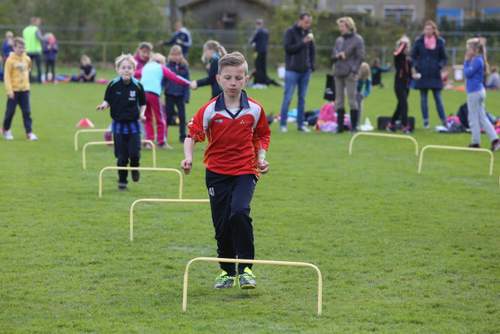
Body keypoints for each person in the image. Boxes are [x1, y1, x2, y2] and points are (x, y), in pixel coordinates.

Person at [181, 52, 271, 289]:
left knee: (239, 212)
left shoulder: (254, 109)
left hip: (245, 169)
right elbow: (192, 135)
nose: (233, 83)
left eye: (238, 78)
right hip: (217, 173)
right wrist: (188, 158)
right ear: (218, 78)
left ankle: (246, 269)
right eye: (228, 77)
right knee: (221, 223)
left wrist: (262, 158)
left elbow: (262, 134)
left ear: (246, 79)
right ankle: (227, 272)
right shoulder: (210, 110)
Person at [96, 54, 147, 190]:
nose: (126, 70)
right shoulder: (113, 85)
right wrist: (103, 105)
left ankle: (135, 168)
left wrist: (142, 114)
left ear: (134, 70)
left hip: (134, 125)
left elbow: (143, 103)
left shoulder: (138, 86)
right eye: (123, 67)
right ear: (118, 69)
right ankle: (122, 182)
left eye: (129, 67)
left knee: (135, 153)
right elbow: (107, 100)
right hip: (118, 125)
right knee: (121, 157)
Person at [138, 52, 190, 149]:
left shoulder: (146, 67)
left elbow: (135, 74)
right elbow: (174, 77)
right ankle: (161, 142)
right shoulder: (161, 68)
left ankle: (149, 141)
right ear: (162, 62)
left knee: (147, 118)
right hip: (153, 94)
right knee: (160, 118)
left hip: (142, 94)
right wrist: (188, 83)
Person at [279, 12, 315, 133]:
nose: (308, 24)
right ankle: (283, 124)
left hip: (305, 71)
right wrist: (303, 42)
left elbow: (312, 51)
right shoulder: (290, 31)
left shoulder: (309, 32)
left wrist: (312, 66)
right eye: (306, 22)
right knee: (288, 98)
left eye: (309, 22)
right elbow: (288, 49)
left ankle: (300, 125)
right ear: (299, 21)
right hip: (292, 71)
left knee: (302, 99)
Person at [463, 38, 499, 151]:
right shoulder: (477, 59)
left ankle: (476, 142)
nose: (467, 51)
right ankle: (494, 140)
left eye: (468, 48)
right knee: (482, 117)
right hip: (478, 91)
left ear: (474, 49)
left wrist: (466, 61)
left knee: (473, 117)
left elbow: (467, 73)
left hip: (475, 92)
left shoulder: (477, 61)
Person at [411, 20, 447, 128]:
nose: (428, 31)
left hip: (435, 74)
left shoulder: (440, 41)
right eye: (426, 29)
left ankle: (444, 120)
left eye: (430, 29)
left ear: (434, 30)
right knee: (423, 98)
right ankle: (426, 121)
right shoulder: (419, 41)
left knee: (438, 98)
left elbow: (444, 58)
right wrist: (417, 65)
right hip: (423, 74)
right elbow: (413, 56)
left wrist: (439, 66)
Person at [332, 16, 365, 133]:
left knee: (352, 100)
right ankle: (340, 127)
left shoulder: (358, 39)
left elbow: (360, 57)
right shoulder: (338, 40)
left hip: (350, 73)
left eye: (342, 26)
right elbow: (333, 56)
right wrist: (337, 56)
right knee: (339, 100)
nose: (340, 28)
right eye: (339, 26)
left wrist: (354, 70)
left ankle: (354, 127)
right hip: (338, 72)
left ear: (348, 26)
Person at [2, 37, 38, 141]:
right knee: (10, 112)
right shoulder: (9, 60)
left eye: (23, 47)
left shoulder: (27, 59)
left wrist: (26, 83)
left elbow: (29, 68)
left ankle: (29, 133)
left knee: (27, 112)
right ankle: (6, 129)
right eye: (19, 47)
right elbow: (7, 76)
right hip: (13, 91)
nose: (21, 49)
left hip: (25, 90)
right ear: (14, 47)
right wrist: (9, 91)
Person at [387, 36, 413, 133]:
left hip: (406, 85)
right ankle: (405, 125)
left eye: (406, 46)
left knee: (400, 105)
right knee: (404, 105)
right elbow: (398, 53)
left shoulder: (409, 60)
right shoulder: (398, 56)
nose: (405, 48)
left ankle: (391, 124)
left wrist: (414, 76)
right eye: (403, 46)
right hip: (398, 84)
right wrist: (403, 43)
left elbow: (409, 74)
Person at [165, 45, 190, 143]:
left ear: (181, 55)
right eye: (174, 55)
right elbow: (163, 81)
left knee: (182, 116)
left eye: (178, 54)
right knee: (168, 115)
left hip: (180, 95)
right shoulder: (167, 67)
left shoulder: (184, 67)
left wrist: (186, 96)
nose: (176, 57)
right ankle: (164, 135)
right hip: (169, 94)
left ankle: (182, 136)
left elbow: (187, 83)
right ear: (170, 55)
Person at [248, 19, 279, 87]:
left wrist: (251, 41)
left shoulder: (258, 32)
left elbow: (252, 41)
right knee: (263, 67)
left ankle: (259, 81)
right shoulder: (266, 32)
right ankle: (264, 80)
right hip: (264, 51)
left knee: (258, 66)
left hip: (257, 52)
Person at [22, 17, 43, 83]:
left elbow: (23, 39)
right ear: (34, 22)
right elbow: (40, 38)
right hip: (36, 51)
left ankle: (29, 80)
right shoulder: (36, 29)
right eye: (38, 22)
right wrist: (45, 38)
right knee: (38, 66)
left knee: (29, 67)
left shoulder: (25, 30)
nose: (39, 23)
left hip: (28, 50)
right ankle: (39, 80)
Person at [356, 62, 371, 130]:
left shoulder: (367, 79)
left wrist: (364, 94)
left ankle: (358, 123)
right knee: (354, 108)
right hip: (353, 92)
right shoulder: (356, 76)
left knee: (360, 109)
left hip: (360, 95)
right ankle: (354, 122)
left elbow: (368, 89)